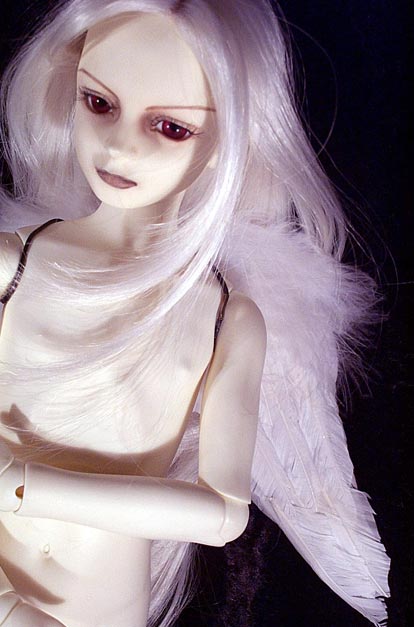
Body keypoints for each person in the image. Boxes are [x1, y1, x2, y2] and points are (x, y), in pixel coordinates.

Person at [0, 1, 389, 626]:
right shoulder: (14, 265)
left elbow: (223, 513)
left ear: (227, 141)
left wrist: (21, 486)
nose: (119, 146)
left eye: (170, 127)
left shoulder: (226, 319)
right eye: (98, 102)